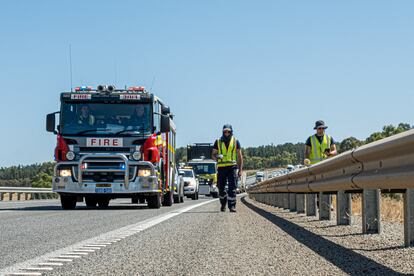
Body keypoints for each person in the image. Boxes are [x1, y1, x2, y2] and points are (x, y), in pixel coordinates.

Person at [212, 124, 243, 213]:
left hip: (232, 167)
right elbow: (213, 155)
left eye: (228, 131)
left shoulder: (236, 141)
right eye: (225, 131)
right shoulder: (218, 141)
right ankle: (223, 203)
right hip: (221, 168)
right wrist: (217, 156)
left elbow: (240, 157)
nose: (226, 133)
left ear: (231, 131)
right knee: (221, 187)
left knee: (232, 187)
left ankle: (232, 206)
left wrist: (240, 170)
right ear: (223, 131)